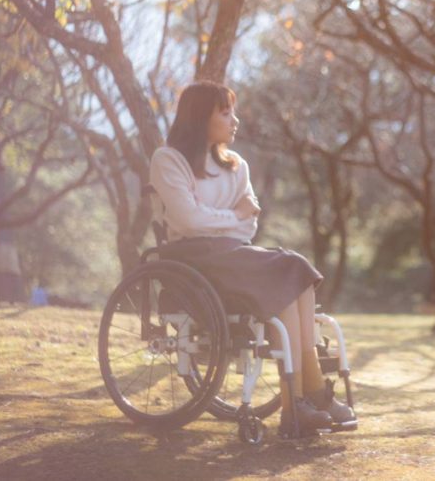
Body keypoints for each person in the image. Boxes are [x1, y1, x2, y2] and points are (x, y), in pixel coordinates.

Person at [149, 80, 354, 436]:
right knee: (286, 273)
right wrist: (231, 217)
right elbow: (188, 220)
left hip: (233, 253)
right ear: (200, 118)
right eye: (225, 113)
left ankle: (299, 405)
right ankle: (311, 398)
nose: (235, 121)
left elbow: (249, 227)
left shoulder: (235, 164)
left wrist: (220, 219)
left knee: (296, 271)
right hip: (192, 260)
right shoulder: (168, 160)